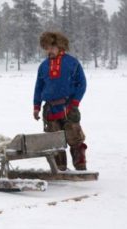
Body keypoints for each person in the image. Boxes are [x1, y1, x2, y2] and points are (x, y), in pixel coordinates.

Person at [33, 31, 87, 171]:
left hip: (69, 107)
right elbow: (38, 87)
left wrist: (75, 103)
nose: (48, 51)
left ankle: (81, 168)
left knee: (75, 139)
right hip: (50, 109)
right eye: (46, 48)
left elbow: (82, 84)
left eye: (51, 48)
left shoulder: (72, 63)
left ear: (59, 45)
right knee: (54, 142)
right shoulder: (43, 66)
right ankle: (60, 170)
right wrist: (36, 106)